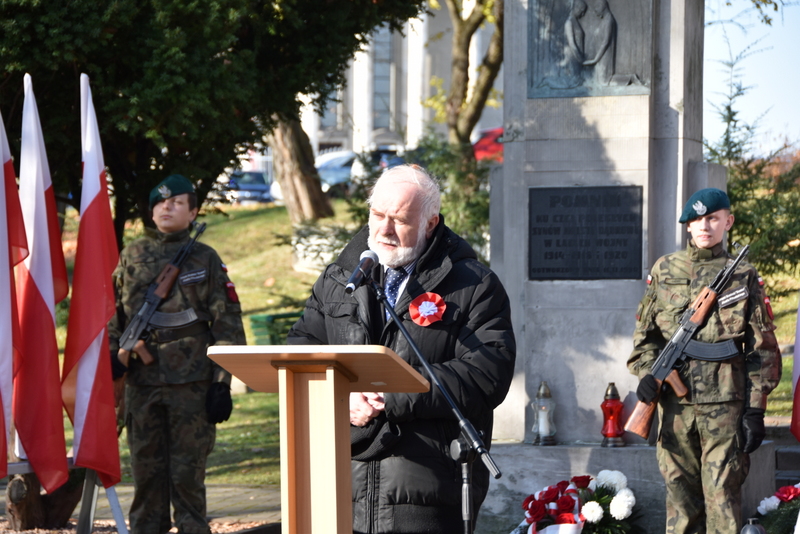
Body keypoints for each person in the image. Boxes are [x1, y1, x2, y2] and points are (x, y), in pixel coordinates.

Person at [287, 164, 516, 533]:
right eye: (377, 215)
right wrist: (338, 395)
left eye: (400, 220)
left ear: (430, 223)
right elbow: (301, 349)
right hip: (340, 482)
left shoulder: (473, 285)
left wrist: (391, 393)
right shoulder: (337, 278)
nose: (384, 230)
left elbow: (488, 372)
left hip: (426, 488)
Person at [627, 188, 781, 534]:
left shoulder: (742, 275)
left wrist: (756, 409)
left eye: (712, 218)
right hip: (674, 409)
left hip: (725, 408)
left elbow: (763, 347)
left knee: (722, 500)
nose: (704, 226)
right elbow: (646, 338)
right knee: (681, 503)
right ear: (687, 227)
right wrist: (649, 375)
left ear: (728, 221)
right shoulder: (665, 270)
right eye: (696, 219)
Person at [108, 174, 246, 534]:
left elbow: (227, 322)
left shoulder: (205, 257)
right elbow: (113, 313)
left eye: (177, 202)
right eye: (160, 203)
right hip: (141, 382)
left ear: (193, 211)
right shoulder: (132, 255)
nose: (166, 207)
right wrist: (114, 354)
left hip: (193, 383)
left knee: (188, 479)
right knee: (146, 477)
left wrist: (222, 383)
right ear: (151, 212)